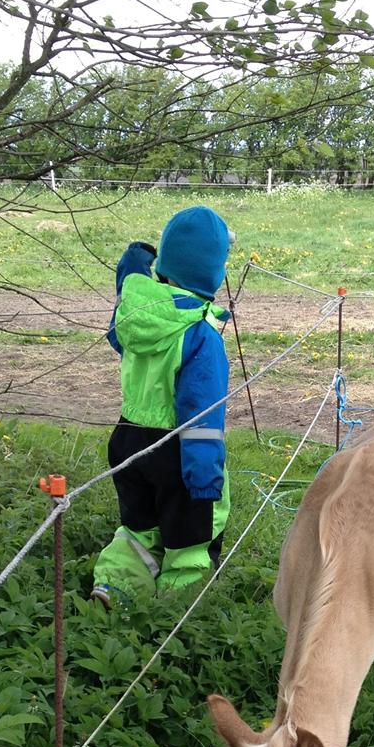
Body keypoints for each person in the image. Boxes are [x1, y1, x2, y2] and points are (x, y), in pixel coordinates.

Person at [92, 205, 233, 609]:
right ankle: (177, 609)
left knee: (138, 528)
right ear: (214, 274)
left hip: (128, 441)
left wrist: (130, 273)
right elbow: (202, 410)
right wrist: (204, 475)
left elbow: (122, 327)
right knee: (190, 537)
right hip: (179, 448)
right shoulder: (201, 335)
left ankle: (116, 587)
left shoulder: (134, 314)